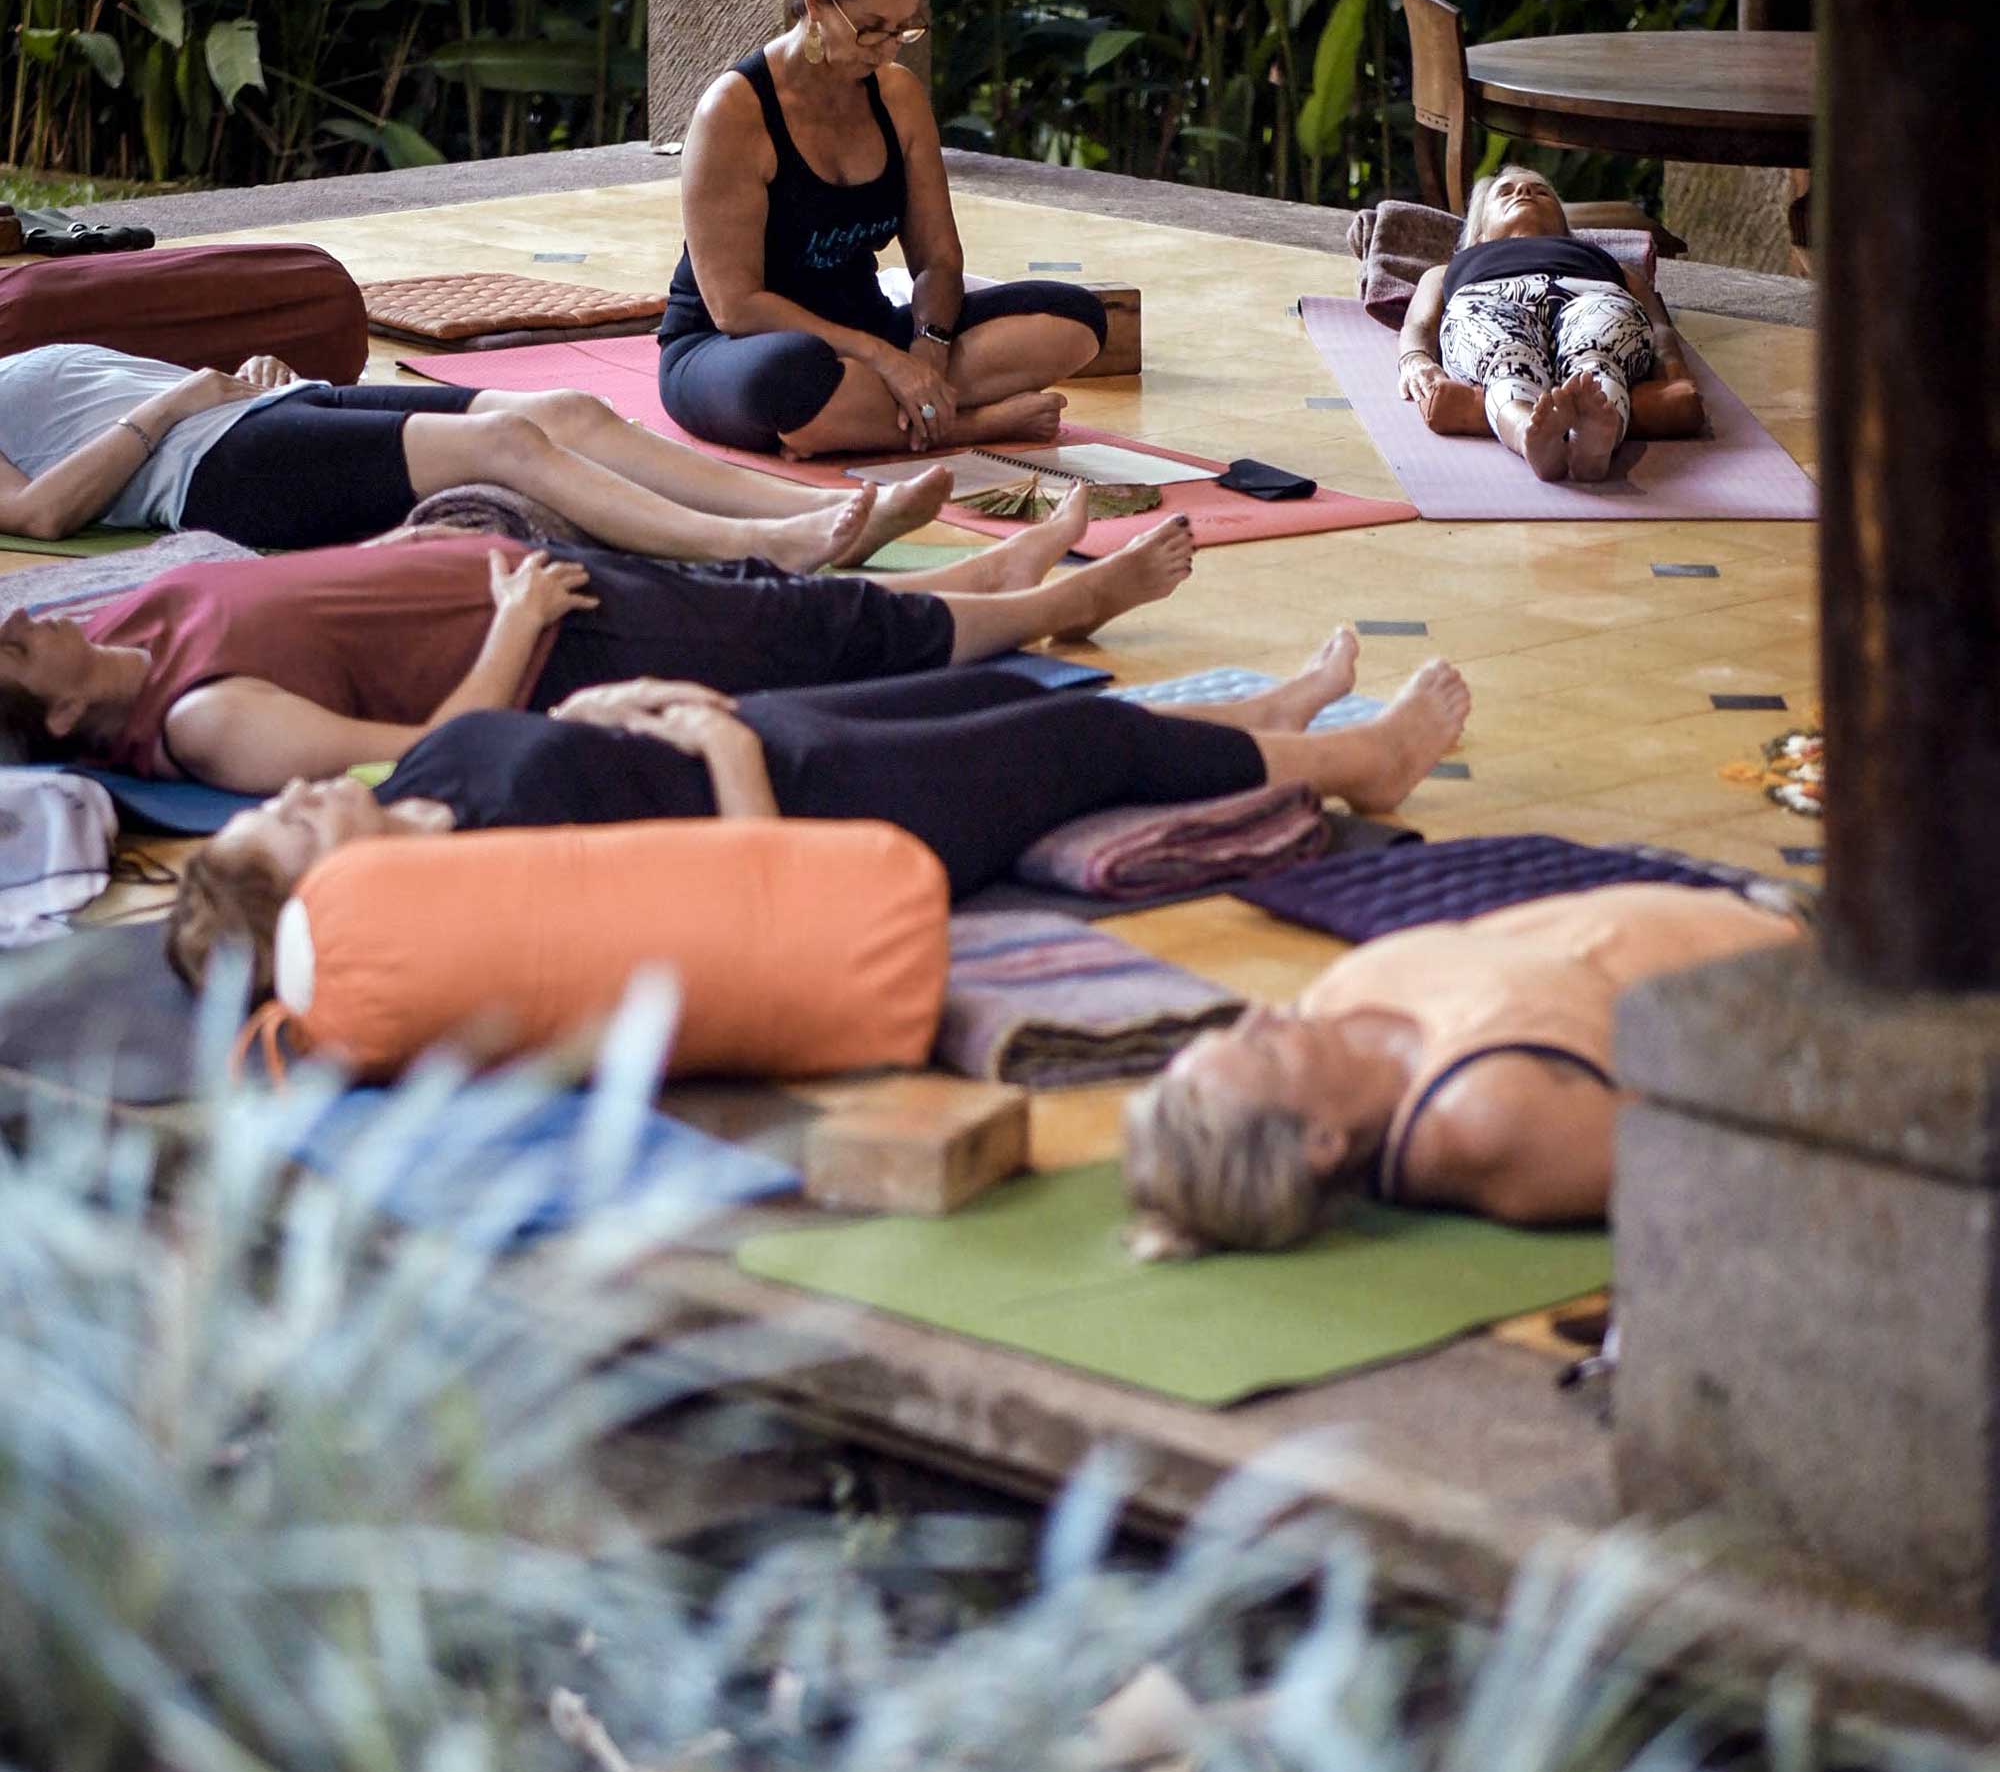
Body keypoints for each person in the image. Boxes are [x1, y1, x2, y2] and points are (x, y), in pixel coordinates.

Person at [166, 644, 1476, 998]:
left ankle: (1267, 717)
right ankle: (1361, 762)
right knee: (1084, 745)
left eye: (275, 806)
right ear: (329, 905)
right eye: (294, 829)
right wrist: (727, 749)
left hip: (769, 727)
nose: (298, 795)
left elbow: (539, 737)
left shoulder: (413, 791)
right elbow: (743, 903)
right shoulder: (495, 881)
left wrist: (608, 702)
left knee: (1007, 692)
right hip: (826, 801)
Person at [0, 493, 1195, 793]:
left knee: (758, 594)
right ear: (55, 715)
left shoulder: (112, 621)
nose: (20, 620)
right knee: (816, 630)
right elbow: (428, 749)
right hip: (550, 643)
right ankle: (1052, 608)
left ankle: (985, 578)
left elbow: (290, 592)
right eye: (12, 652)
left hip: (511, 578)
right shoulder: (206, 723)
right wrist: (514, 626)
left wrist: (397, 548)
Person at [660, 0, 1108, 456]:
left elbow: (938, 261)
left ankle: (872, 416)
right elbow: (736, 307)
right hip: (738, 349)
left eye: (903, 29)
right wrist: (884, 360)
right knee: (793, 377)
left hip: (868, 329)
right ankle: (972, 425)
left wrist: (929, 347)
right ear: (816, 3)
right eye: (871, 28)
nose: (889, 49)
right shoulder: (734, 111)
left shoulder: (897, 96)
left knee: (1074, 319)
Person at [1123, 882, 1797, 1250]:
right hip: (1827, 972)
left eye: (1233, 1028)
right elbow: (1745, 1150)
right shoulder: (1487, 1120)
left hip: (1757, 902)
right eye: (1264, 1050)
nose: (1261, 1014)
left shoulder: (1326, 1011)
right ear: (1322, 1141)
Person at [0, 341, 957, 567]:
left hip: (265, 410)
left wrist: (235, 377)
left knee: (570, 409)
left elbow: (91, 403)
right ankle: (766, 548)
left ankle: (815, 513)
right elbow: (40, 513)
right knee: (504, 444)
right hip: (217, 470)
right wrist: (181, 397)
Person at [1395, 168, 1702, 481]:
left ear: (1565, 229)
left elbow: (1658, 325)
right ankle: (1527, 433)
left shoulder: (1612, 266)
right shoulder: (1447, 270)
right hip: (1489, 300)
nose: (1524, 192)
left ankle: (1596, 440)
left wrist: (1672, 365)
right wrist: (1414, 358)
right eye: (1506, 192)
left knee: (1597, 349)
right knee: (1505, 355)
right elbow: (1419, 323)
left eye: (1540, 191)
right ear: (1480, 234)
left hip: (1592, 298)